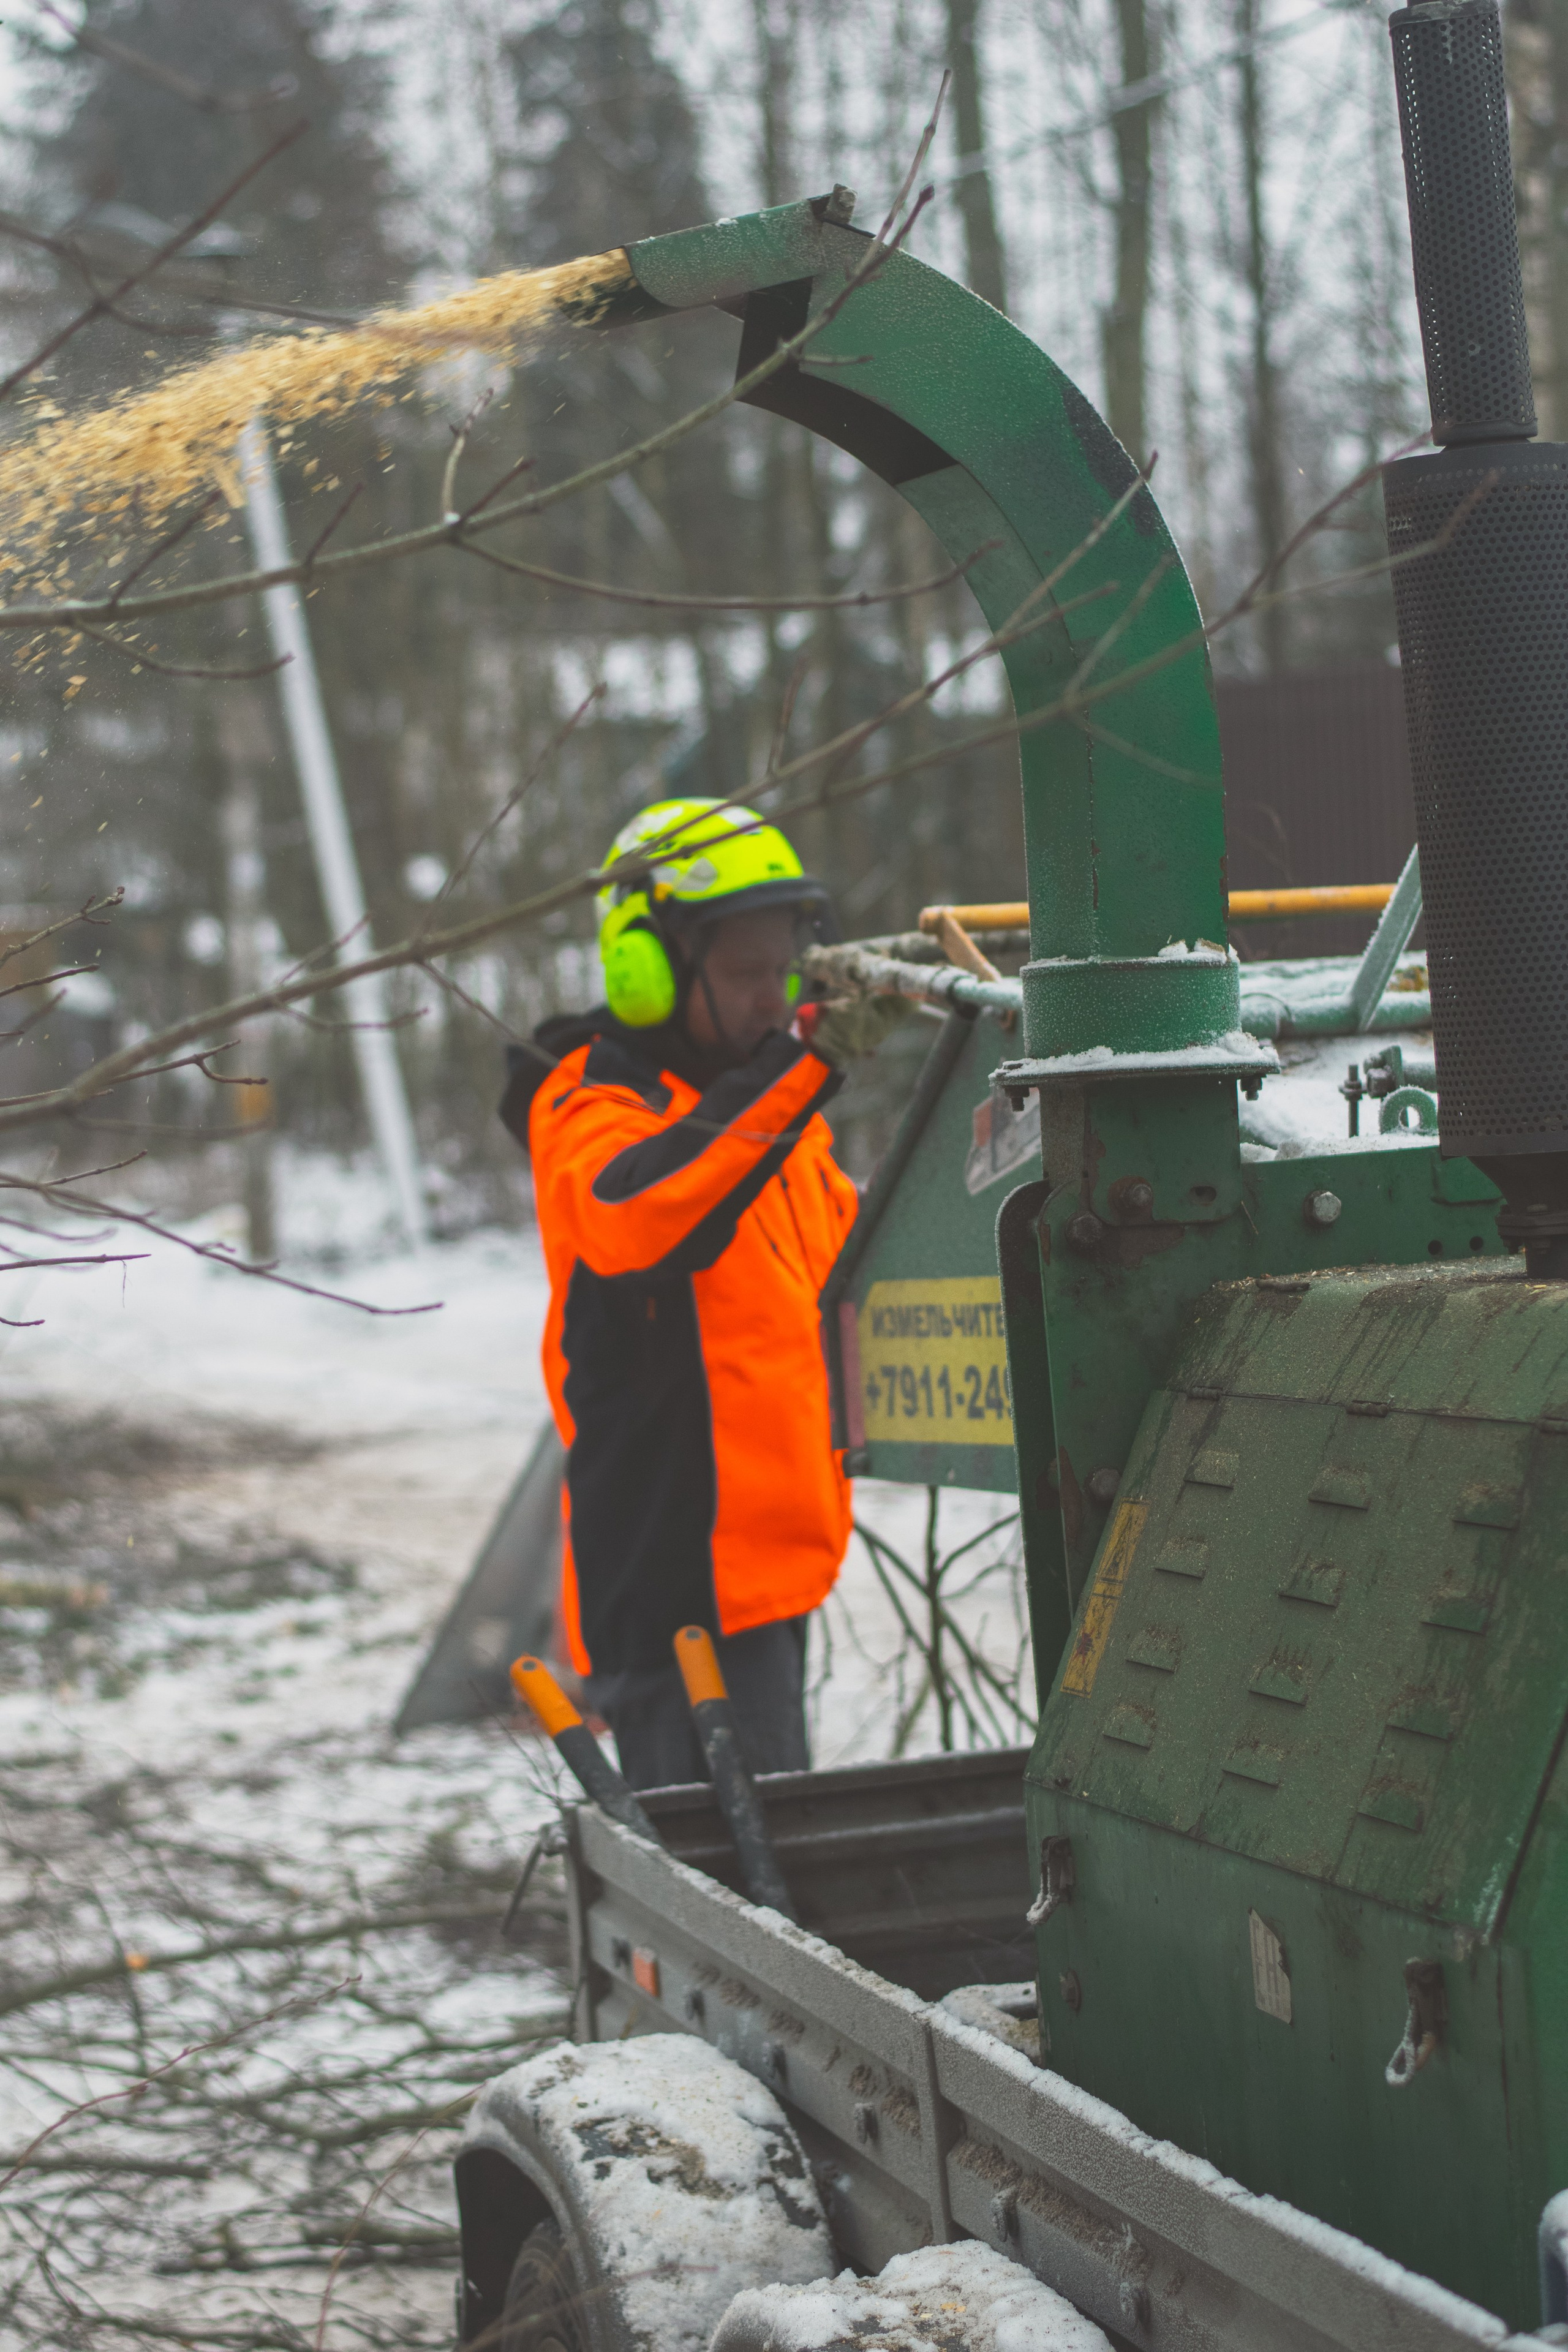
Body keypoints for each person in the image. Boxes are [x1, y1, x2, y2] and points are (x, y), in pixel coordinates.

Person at [500, 797, 904, 1790]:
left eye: (784, 971)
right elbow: (644, 1220)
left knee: (768, 1888)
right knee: (718, 1914)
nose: (773, 1000)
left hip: (772, 1576)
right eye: (743, 974)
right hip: (680, 1583)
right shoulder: (590, 1096)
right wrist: (804, 1067)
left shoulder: (767, 1106)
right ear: (649, 969)